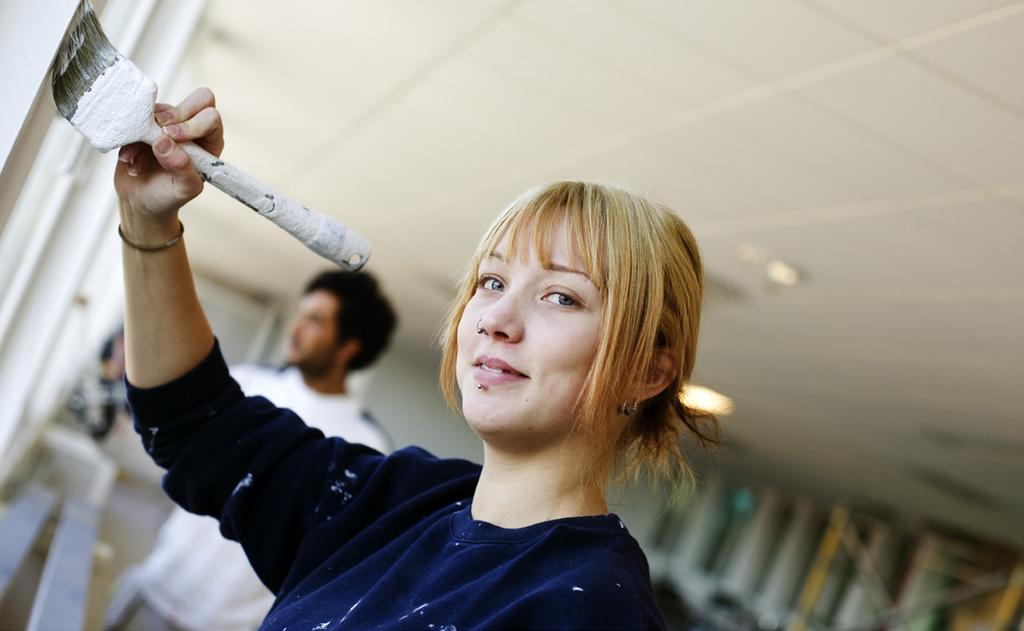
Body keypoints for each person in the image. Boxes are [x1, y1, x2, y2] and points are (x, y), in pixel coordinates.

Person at [112, 88, 720, 630]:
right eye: (492, 282)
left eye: (561, 296)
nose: (496, 321)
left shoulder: (591, 609)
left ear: (647, 370)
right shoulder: (399, 503)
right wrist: (147, 217)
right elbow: (198, 423)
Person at [105, 269, 397, 631]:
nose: (295, 328)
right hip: (153, 591)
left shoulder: (365, 445)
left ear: (348, 347)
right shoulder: (245, 387)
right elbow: (173, 464)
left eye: (315, 321)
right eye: (299, 314)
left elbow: (328, 560)